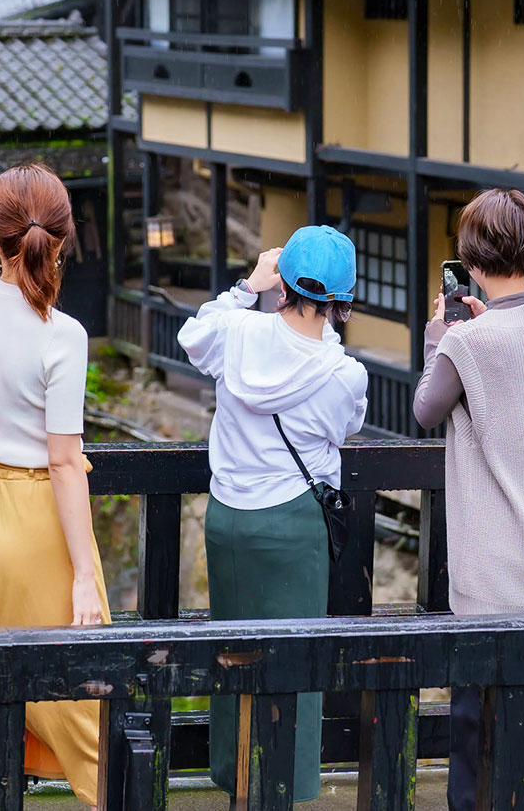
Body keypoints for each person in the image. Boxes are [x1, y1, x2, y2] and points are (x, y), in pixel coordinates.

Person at [178, 227, 369, 803]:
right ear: (342, 302)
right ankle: (284, 784)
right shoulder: (342, 374)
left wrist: (247, 286)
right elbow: (345, 429)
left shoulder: (237, 332)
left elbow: (192, 336)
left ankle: (234, 776)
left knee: (232, 654)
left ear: (282, 286)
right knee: (292, 664)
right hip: (292, 521)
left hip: (227, 516)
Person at [410, 187, 524, 811]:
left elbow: (425, 410)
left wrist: (439, 337)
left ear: (471, 260)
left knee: (476, 732)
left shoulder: (467, 342)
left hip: (489, 565)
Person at [0, 164, 110, 805]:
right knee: (88, 703)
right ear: (62, 240)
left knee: (2, 697)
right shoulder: (63, 336)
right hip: (39, 517)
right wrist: (83, 574)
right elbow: (65, 461)